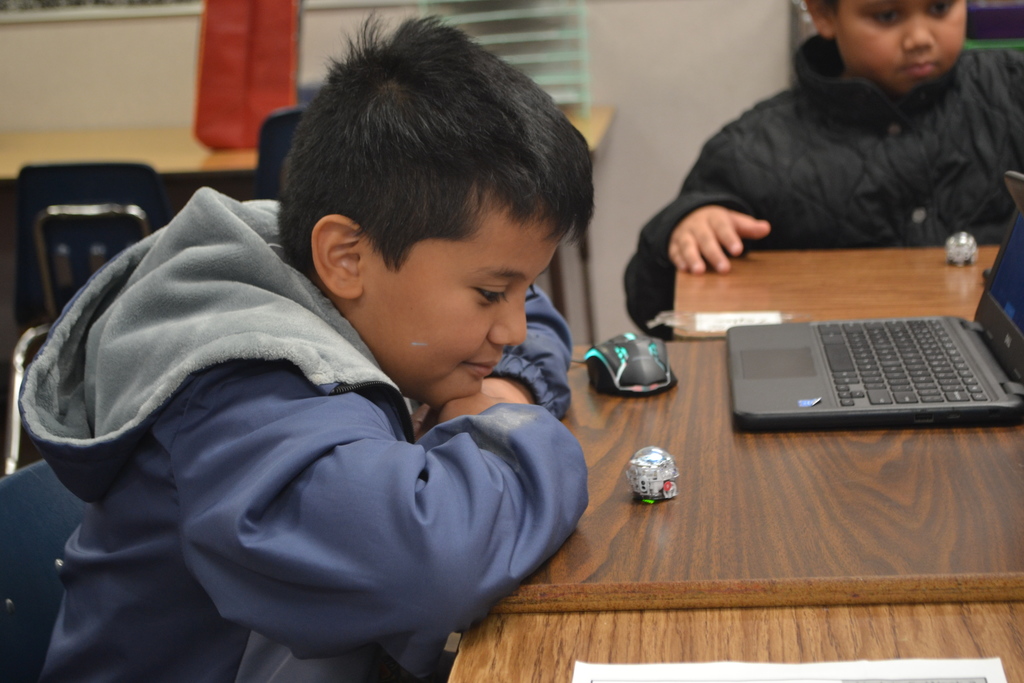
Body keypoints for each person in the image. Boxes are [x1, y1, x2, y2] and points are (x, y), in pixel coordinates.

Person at [19, 16, 593, 683]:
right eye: (493, 292)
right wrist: (516, 427)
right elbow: (430, 561)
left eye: (521, 287)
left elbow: (537, 319)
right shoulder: (242, 382)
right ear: (346, 257)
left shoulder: (349, 270)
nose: (515, 327)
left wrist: (506, 387)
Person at [625, 0, 1024, 339]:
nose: (920, 37)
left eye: (940, 7)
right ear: (824, 15)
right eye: (886, 16)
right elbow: (652, 310)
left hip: (997, 365)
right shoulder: (752, 150)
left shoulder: (1010, 92)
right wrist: (684, 228)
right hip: (831, 386)